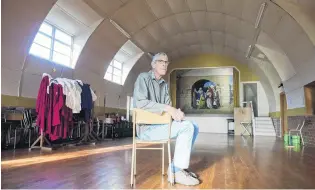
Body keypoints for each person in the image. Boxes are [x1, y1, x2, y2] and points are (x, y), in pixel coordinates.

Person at [133, 52, 200, 186]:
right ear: (153, 64)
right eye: (160, 61)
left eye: (166, 62)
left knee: (193, 125)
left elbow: (168, 107)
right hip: (146, 129)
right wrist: (169, 109)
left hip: (161, 126)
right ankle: (175, 171)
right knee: (187, 127)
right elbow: (140, 103)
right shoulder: (143, 78)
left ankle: (178, 167)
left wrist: (176, 114)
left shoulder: (165, 84)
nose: (164, 64)